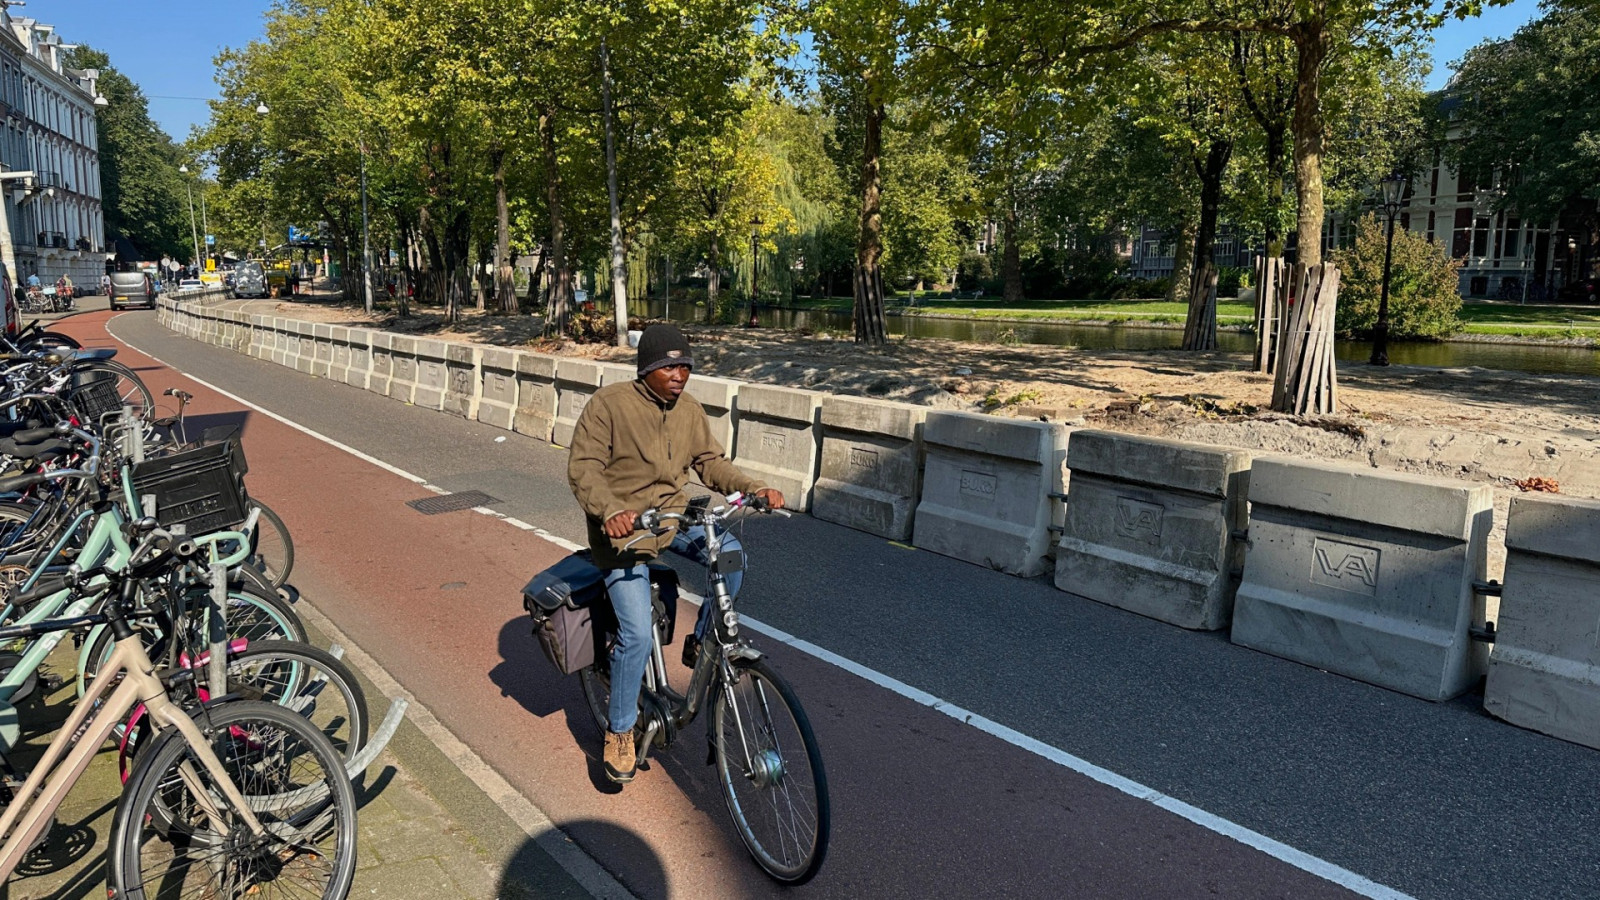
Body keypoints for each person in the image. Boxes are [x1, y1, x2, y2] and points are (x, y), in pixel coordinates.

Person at [567, 323, 785, 784]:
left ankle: (703, 644)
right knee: (636, 637)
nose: (679, 374)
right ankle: (620, 731)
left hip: (672, 518)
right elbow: (583, 468)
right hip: (624, 533)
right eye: (669, 366)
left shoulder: (687, 409)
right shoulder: (609, 405)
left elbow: (709, 462)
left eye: (685, 365)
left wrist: (753, 488)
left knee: (731, 553)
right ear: (647, 368)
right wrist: (609, 511)